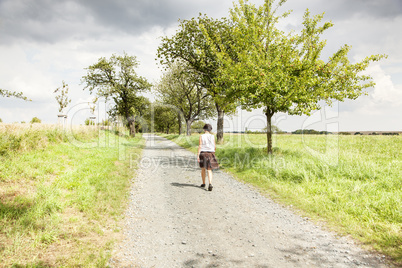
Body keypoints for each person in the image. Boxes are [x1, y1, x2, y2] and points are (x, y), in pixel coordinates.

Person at [197, 124, 219, 191]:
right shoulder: (212, 136)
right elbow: (214, 146)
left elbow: (200, 146)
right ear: (210, 130)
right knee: (209, 169)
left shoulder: (201, 136)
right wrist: (213, 153)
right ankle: (210, 183)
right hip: (211, 153)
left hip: (203, 153)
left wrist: (198, 155)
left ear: (204, 129)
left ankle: (203, 183)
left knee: (203, 168)